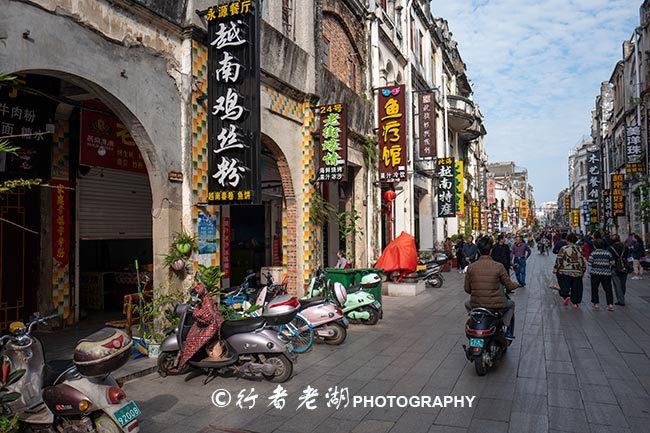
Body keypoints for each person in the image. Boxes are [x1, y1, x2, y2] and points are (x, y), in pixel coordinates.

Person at [464, 237, 519, 339]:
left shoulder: (471, 267)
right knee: (511, 305)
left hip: (476, 304)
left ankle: (474, 318)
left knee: (466, 303)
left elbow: (467, 289)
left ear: (478, 250)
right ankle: (506, 328)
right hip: (496, 305)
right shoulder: (499, 266)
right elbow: (509, 285)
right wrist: (516, 284)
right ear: (491, 251)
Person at [554, 233, 587, 308]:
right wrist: (583, 270)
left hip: (565, 271)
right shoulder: (579, 248)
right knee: (576, 287)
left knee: (564, 286)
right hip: (577, 271)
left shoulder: (563, 248)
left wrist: (555, 269)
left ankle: (566, 296)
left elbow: (559, 259)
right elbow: (582, 260)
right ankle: (575, 303)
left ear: (567, 240)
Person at [588, 239, 615, 311]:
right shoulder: (608, 253)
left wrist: (589, 273)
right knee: (608, 289)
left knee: (594, 288)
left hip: (595, 273)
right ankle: (610, 304)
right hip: (606, 273)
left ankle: (596, 304)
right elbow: (612, 262)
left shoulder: (593, 253)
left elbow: (590, 264)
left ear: (595, 246)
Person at [608, 234, 629, 306]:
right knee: (623, 284)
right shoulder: (625, 246)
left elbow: (610, 259)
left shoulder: (610, 248)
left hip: (615, 267)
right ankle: (622, 296)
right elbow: (627, 256)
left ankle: (621, 300)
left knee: (617, 285)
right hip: (624, 266)